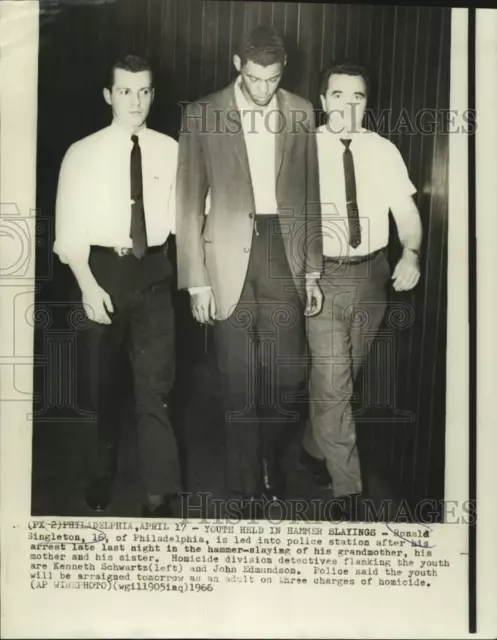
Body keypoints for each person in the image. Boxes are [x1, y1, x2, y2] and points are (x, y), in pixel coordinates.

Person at [176, 26, 323, 511]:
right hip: (226, 255)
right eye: (255, 78)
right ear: (238, 64)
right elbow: (188, 202)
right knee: (237, 379)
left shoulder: (301, 111)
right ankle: (245, 485)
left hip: (285, 251)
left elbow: (309, 196)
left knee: (287, 378)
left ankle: (267, 457)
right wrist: (196, 279)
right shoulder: (202, 114)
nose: (264, 90)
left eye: (273, 80)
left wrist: (313, 270)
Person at [53, 55, 181, 517]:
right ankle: (100, 470)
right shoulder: (81, 153)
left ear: (153, 94)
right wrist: (87, 285)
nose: (136, 101)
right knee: (101, 388)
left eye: (144, 91)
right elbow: (68, 234)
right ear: (108, 95)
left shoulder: (171, 150)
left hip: (153, 276)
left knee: (155, 389)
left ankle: (158, 492)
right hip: (99, 275)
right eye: (125, 91)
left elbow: (184, 216)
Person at [301, 60, 422, 513]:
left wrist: (410, 252)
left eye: (358, 97)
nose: (348, 107)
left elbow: (406, 214)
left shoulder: (384, 150)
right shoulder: (302, 150)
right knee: (333, 379)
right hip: (323, 276)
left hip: (373, 276)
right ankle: (348, 492)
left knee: (345, 376)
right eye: (338, 96)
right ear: (322, 100)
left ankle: (313, 447)